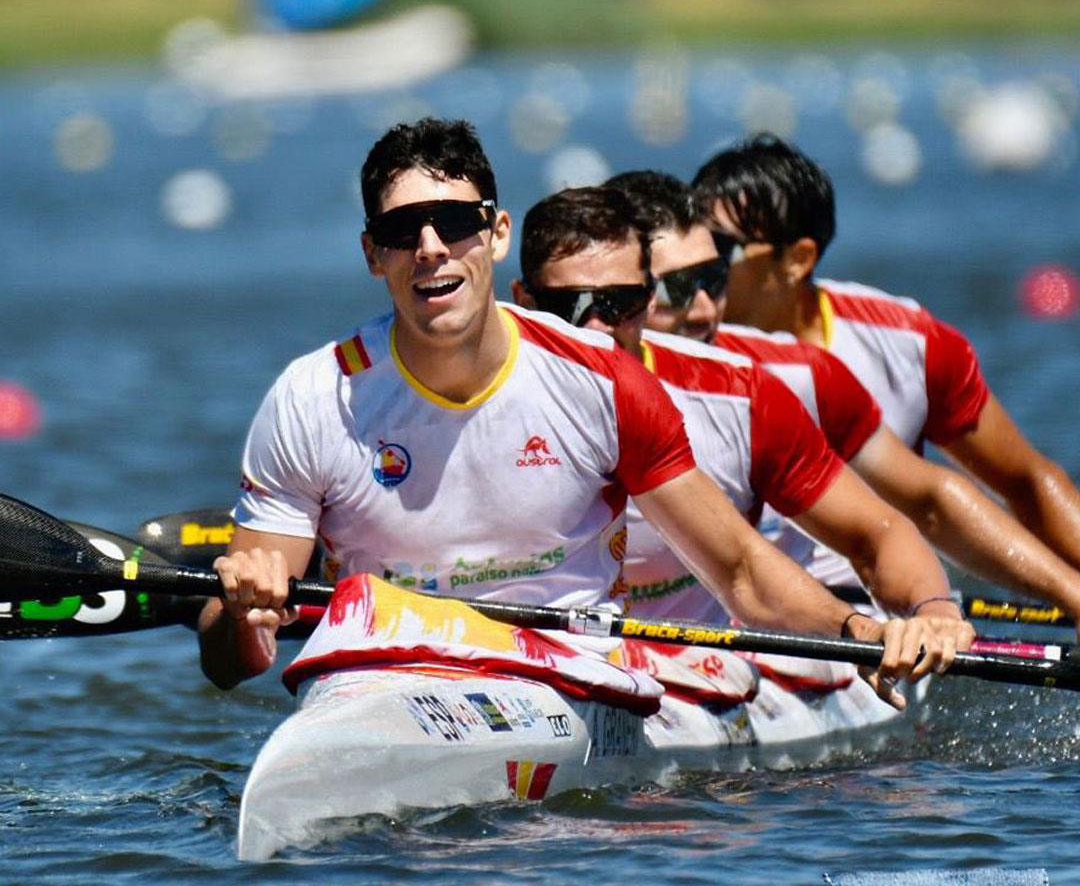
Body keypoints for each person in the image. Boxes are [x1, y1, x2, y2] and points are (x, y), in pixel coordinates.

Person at [197, 117, 942, 706]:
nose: (428, 249)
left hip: (570, 678)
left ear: (495, 234)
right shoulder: (310, 399)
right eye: (400, 233)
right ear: (372, 254)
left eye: (453, 223)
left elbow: (741, 576)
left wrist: (859, 631)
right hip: (382, 680)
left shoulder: (600, 382)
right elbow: (231, 666)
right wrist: (239, 615)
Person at [511, 184, 973, 684]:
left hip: (700, 673)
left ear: (647, 298)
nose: (596, 330)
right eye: (569, 306)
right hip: (533, 665)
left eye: (619, 303)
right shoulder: (468, 390)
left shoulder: (740, 394)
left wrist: (934, 613)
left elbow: (876, 535)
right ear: (522, 300)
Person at [606, 168, 1080, 620]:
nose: (706, 308)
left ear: (799, 258)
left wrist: (1064, 593)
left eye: (715, 274)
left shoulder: (800, 374)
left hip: (802, 632)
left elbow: (932, 502)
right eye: (680, 288)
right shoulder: (553, 367)